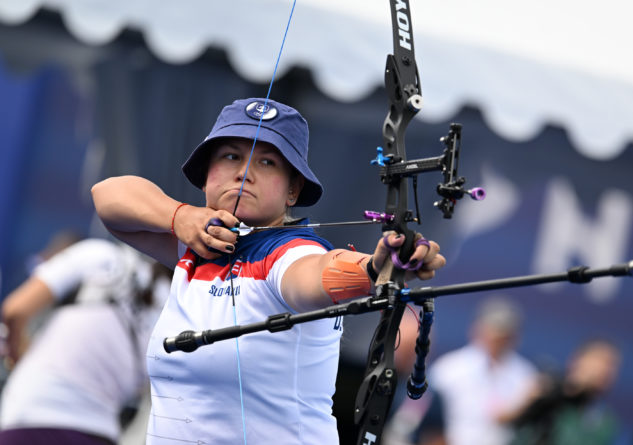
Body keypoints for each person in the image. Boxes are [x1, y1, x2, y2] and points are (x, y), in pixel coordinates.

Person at [90, 97, 445, 445]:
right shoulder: (198, 246)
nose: (244, 173)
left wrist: (374, 268)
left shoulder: (286, 253)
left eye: (267, 162)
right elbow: (108, 196)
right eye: (231, 156)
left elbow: (313, 273)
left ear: (292, 190)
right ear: (205, 176)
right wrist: (180, 216)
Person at [0, 236, 171, 445]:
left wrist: (18, 359)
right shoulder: (176, 313)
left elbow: (15, 310)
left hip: (34, 413)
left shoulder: (102, 255)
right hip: (100, 431)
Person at [411, 297, 538, 445]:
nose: (498, 338)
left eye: (505, 333)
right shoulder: (449, 369)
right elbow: (425, 419)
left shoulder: (526, 375)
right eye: (494, 329)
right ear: (478, 329)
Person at [510, 339, 622, 445]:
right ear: (577, 360)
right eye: (602, 361)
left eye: (612, 365)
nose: (606, 370)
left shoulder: (604, 422)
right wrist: (574, 385)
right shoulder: (546, 389)